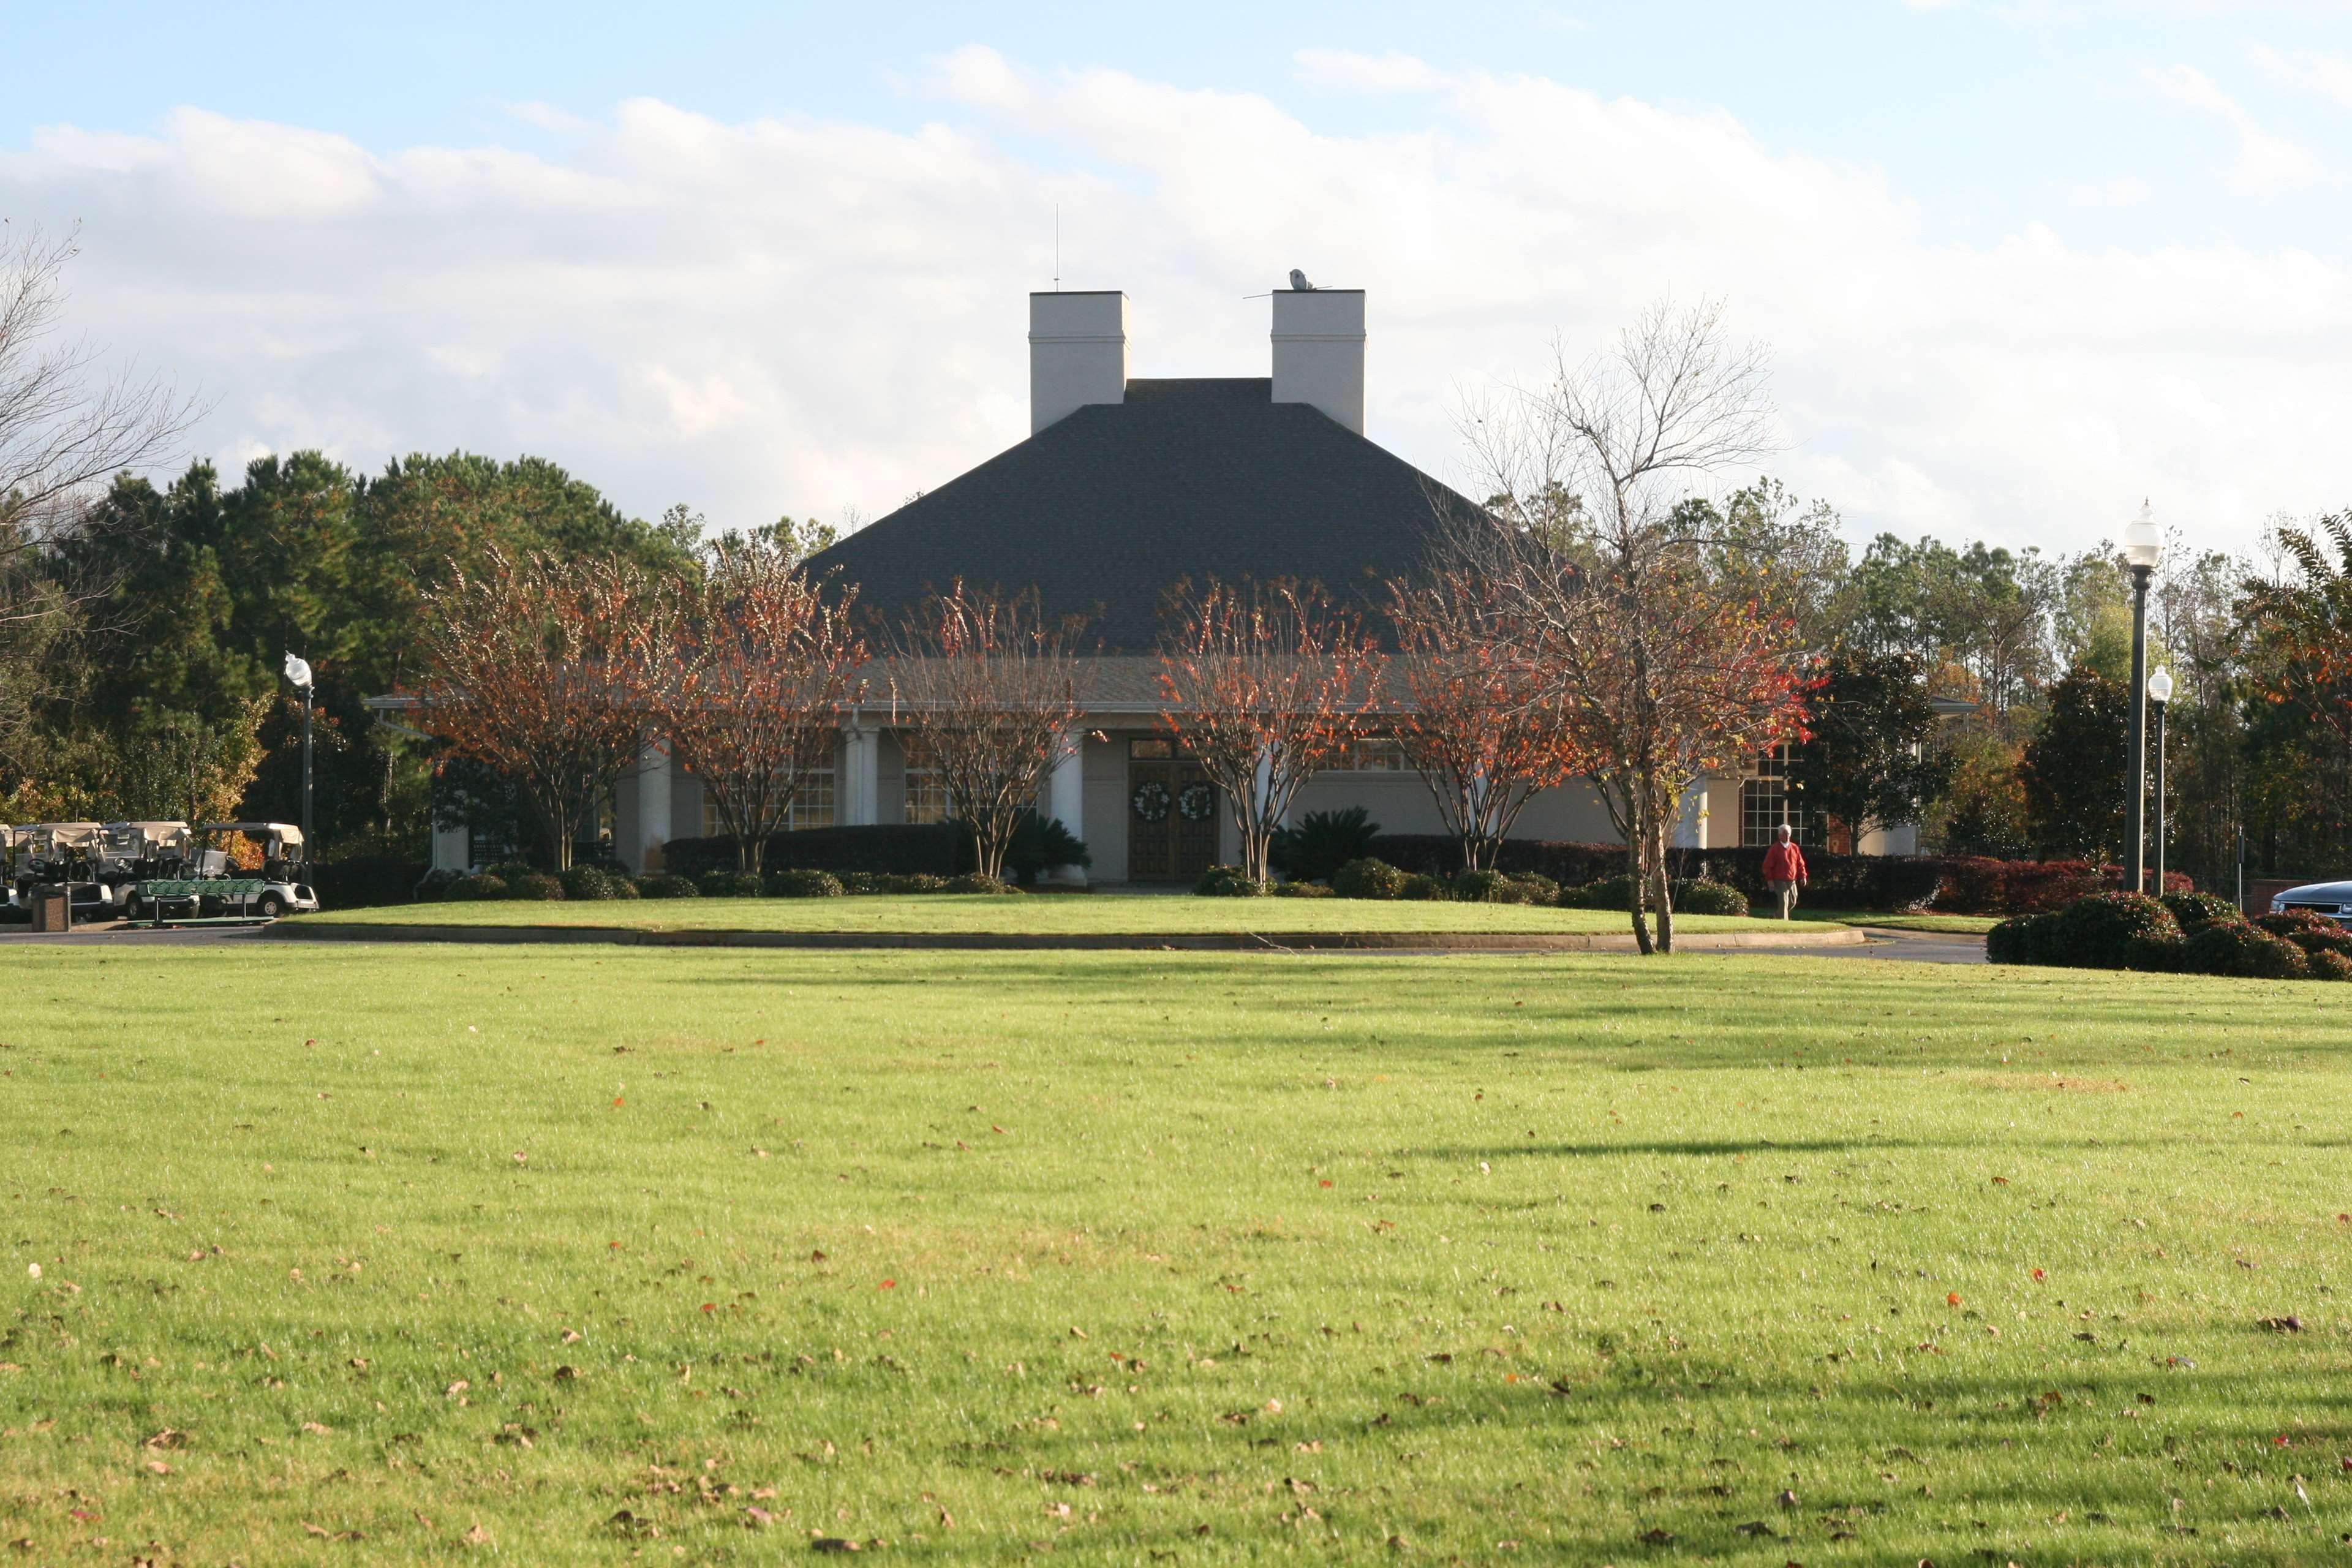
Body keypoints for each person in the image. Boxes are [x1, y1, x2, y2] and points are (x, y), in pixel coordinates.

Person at [1762, 823, 1807, 919]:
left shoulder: (1795, 848)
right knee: (1783, 902)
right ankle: (1784, 923)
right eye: (1785, 834)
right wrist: (1770, 880)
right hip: (1779, 880)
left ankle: (1776, 916)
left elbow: (1800, 863)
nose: (1787, 836)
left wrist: (1803, 876)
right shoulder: (1774, 849)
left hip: (1792, 880)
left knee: (1792, 901)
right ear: (1779, 835)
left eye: (1789, 834)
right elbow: (1767, 866)